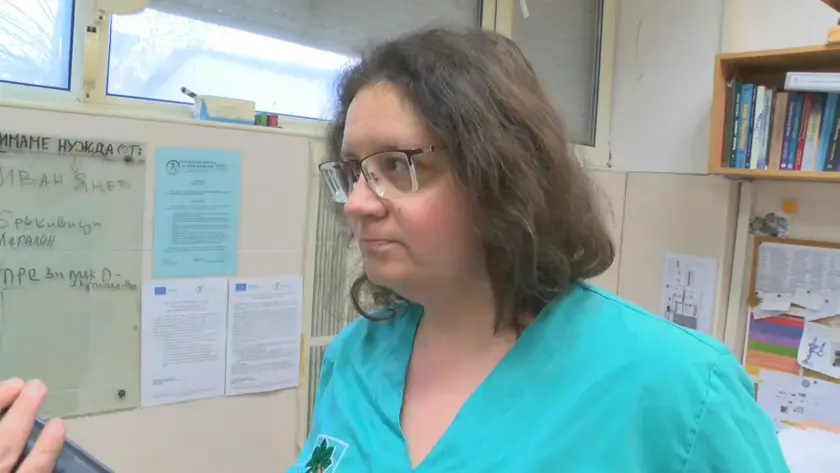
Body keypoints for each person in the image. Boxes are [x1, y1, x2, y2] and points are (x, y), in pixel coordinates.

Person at [0, 27, 788, 473]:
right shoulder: (357, 360)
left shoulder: (678, 389)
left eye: (400, 166)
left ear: (503, 173)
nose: (358, 202)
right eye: (353, 170)